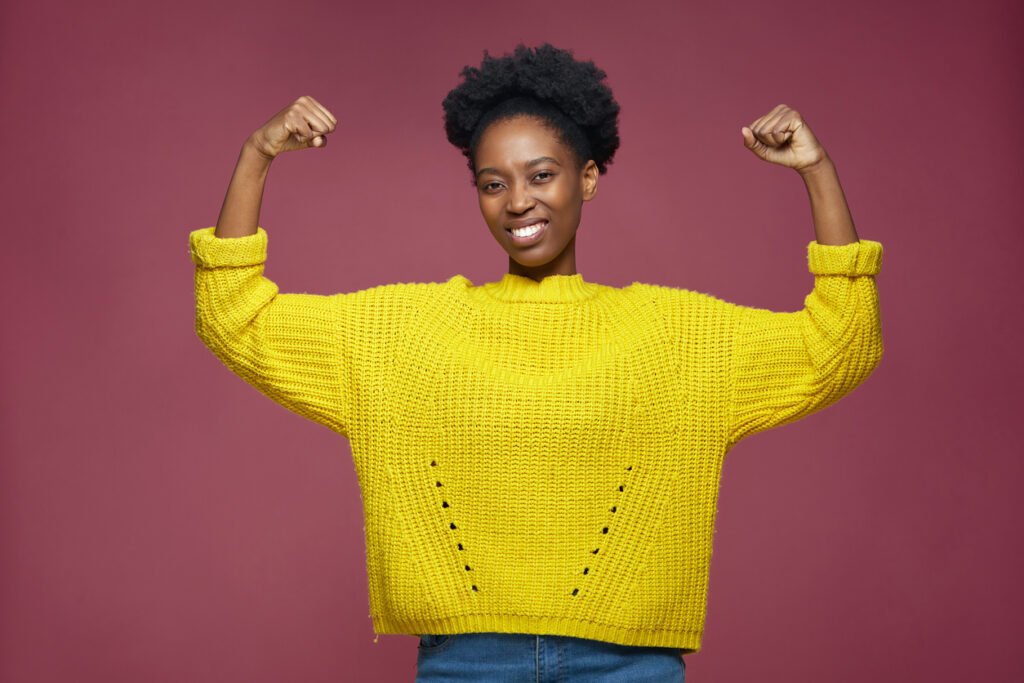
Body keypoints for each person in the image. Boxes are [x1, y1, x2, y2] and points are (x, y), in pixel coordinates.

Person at [188, 43, 883, 682]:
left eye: (540, 175)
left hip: (629, 665)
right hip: (467, 661)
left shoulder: (677, 335)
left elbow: (842, 342)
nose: (517, 201)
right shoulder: (401, 330)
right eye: (493, 183)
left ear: (587, 178)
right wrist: (257, 153)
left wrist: (816, 171)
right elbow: (233, 313)